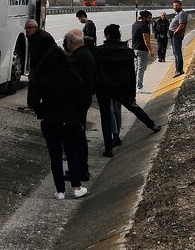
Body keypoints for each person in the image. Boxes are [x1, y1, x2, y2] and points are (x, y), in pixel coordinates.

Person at [28, 43, 88, 199]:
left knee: (55, 156)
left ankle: (60, 190)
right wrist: (81, 119)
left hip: (50, 120)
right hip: (70, 120)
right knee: (72, 153)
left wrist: (42, 112)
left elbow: (33, 101)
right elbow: (80, 101)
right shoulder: (72, 75)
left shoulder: (42, 78)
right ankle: (76, 187)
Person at [93, 23, 162, 157]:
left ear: (107, 35)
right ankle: (152, 125)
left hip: (104, 88)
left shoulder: (99, 51)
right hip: (123, 87)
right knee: (134, 108)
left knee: (106, 118)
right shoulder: (127, 51)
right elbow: (132, 74)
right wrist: (132, 93)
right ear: (118, 36)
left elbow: (95, 72)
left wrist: (95, 87)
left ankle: (108, 148)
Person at [64, 29, 95, 180]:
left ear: (70, 42)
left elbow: (73, 83)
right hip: (85, 100)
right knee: (79, 137)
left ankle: (80, 170)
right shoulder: (87, 54)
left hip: (77, 104)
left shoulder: (77, 58)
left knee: (76, 139)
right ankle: (81, 169)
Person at [23, 17, 58, 111]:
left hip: (47, 66)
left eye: (29, 27)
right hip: (42, 65)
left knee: (39, 85)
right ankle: (33, 105)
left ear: (35, 27)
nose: (27, 30)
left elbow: (39, 56)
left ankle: (35, 106)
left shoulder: (42, 37)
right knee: (34, 85)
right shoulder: (33, 36)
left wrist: (33, 71)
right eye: (26, 27)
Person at [130, 9, 153, 91]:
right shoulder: (144, 26)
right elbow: (146, 39)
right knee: (141, 68)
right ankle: (139, 85)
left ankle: (134, 84)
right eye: (149, 18)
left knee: (136, 68)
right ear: (144, 18)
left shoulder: (134, 24)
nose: (150, 20)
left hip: (134, 49)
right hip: (142, 50)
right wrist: (150, 50)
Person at [168, 0, 189, 75]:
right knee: (175, 53)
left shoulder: (182, 13)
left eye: (177, 5)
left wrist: (175, 32)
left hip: (177, 36)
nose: (175, 7)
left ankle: (179, 70)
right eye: (174, 6)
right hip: (173, 35)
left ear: (180, 6)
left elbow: (182, 25)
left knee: (177, 53)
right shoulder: (177, 13)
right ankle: (177, 70)